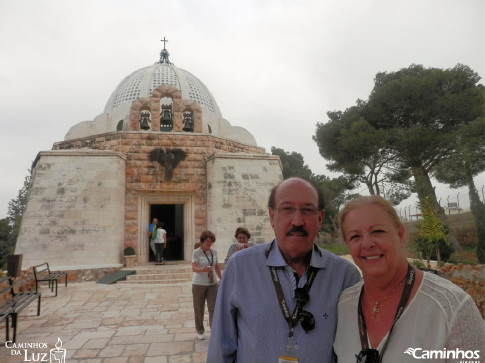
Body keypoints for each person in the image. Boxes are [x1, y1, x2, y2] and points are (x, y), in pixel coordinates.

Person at [207, 177, 361, 362]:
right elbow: (221, 346)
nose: (297, 221)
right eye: (287, 209)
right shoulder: (240, 267)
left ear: (319, 218)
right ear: (272, 217)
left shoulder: (345, 276)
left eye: (307, 210)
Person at [334, 195, 485, 363]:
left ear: (399, 235)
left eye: (377, 231)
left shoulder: (451, 307)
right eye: (355, 236)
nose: (367, 243)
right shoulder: (344, 305)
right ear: (348, 244)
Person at [192, 230, 222, 340]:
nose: (209, 243)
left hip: (212, 284)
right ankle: (200, 330)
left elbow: (216, 266)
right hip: (199, 284)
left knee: (213, 308)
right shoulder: (196, 252)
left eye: (211, 241)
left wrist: (221, 278)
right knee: (199, 308)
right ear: (202, 241)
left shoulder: (214, 252)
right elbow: (193, 267)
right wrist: (202, 269)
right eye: (207, 241)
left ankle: (214, 330)